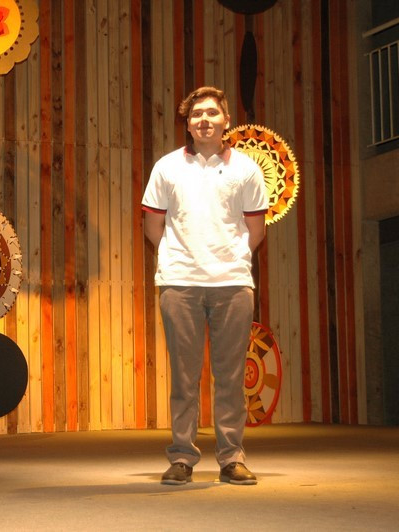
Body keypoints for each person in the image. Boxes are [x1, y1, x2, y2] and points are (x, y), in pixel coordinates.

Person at [141, 86, 267, 486]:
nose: (204, 120)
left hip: (232, 283)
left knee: (230, 376)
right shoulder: (167, 167)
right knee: (184, 376)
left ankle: (232, 458)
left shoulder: (246, 169)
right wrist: (179, 258)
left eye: (212, 113)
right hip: (180, 283)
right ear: (188, 123)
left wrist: (231, 259)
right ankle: (182, 457)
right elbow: (153, 225)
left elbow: (256, 230)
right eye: (197, 114)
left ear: (226, 120)